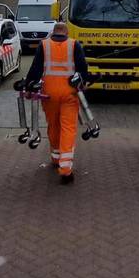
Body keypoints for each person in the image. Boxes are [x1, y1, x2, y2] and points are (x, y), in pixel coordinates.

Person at [24, 21, 91, 184]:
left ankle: (55, 158)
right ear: (66, 33)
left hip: (49, 94)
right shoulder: (75, 45)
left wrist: (28, 86)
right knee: (68, 128)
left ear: (53, 32)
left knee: (53, 125)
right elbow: (83, 70)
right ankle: (66, 169)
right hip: (69, 93)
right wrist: (86, 83)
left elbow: (35, 69)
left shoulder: (44, 45)